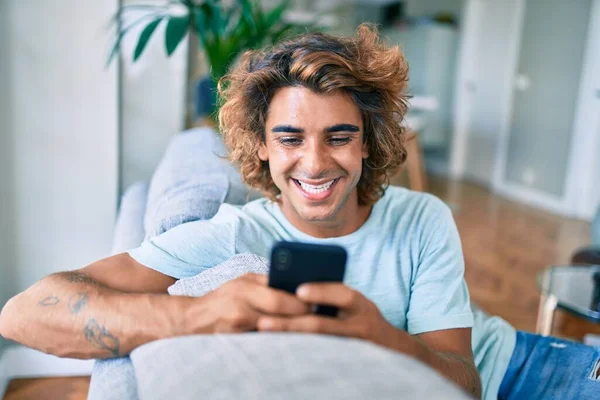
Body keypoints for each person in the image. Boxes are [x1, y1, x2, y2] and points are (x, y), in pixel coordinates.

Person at [0, 24, 597, 400]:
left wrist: (380, 337)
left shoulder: (422, 218)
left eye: (339, 136)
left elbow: (467, 382)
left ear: (369, 141)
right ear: (260, 144)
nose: (314, 164)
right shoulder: (230, 235)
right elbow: (24, 315)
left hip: (524, 364)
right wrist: (198, 315)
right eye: (290, 138)